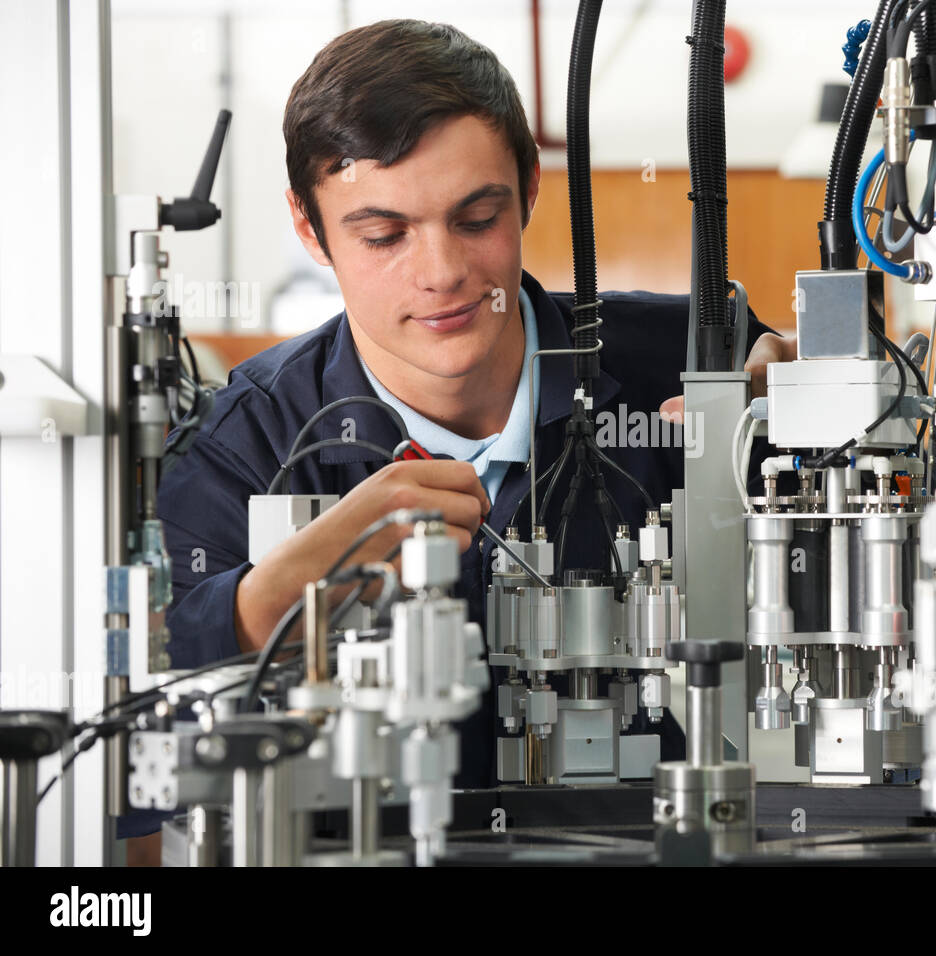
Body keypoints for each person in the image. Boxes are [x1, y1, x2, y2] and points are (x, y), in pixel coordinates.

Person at [154, 18, 795, 803]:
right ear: (309, 229)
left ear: (528, 188)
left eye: (476, 219)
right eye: (385, 235)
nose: (443, 273)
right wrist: (293, 586)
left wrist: (822, 406)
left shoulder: (686, 358)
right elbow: (164, 702)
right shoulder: (247, 437)